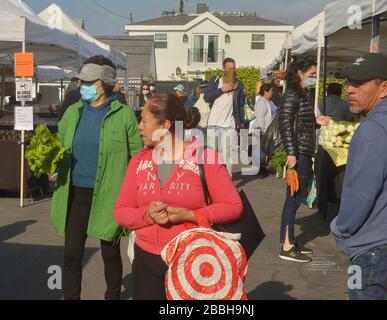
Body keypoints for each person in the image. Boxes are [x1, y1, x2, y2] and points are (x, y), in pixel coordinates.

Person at [114, 93, 243, 300]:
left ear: (164, 125)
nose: (139, 126)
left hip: (192, 260)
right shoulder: (138, 161)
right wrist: (147, 215)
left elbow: (233, 206)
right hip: (145, 261)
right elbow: (121, 212)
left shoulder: (205, 157)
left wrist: (190, 215)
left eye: (144, 121)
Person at [51, 55, 143, 300]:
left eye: (88, 82)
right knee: (71, 253)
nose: (82, 87)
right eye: (81, 82)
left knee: (110, 254)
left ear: (102, 84)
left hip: (110, 194)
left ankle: (112, 296)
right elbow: (58, 145)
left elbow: (137, 156)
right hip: (76, 194)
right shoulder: (72, 112)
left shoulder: (124, 115)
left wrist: (138, 192)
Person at [330, 53, 387, 300]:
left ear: (385, 87)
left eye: (359, 83)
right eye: (348, 82)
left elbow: (358, 193)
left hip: (376, 249)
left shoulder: (374, 128)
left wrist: (340, 228)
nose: (349, 90)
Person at [278, 57, 331, 263]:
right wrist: (292, 152)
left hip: (303, 150)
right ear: (300, 73)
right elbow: (285, 122)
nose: (314, 78)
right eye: (311, 74)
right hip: (298, 153)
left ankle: (288, 240)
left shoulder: (301, 93)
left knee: (295, 197)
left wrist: (316, 122)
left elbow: (301, 121)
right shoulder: (292, 94)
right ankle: (286, 246)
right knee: (294, 198)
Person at [204, 57, 246, 177]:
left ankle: (226, 182)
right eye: (229, 68)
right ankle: (211, 180)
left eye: (233, 68)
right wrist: (222, 89)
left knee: (227, 156)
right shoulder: (215, 80)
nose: (232, 70)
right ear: (223, 69)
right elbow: (206, 97)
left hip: (229, 125)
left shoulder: (239, 85)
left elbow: (241, 105)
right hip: (213, 124)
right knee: (211, 157)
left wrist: (241, 124)